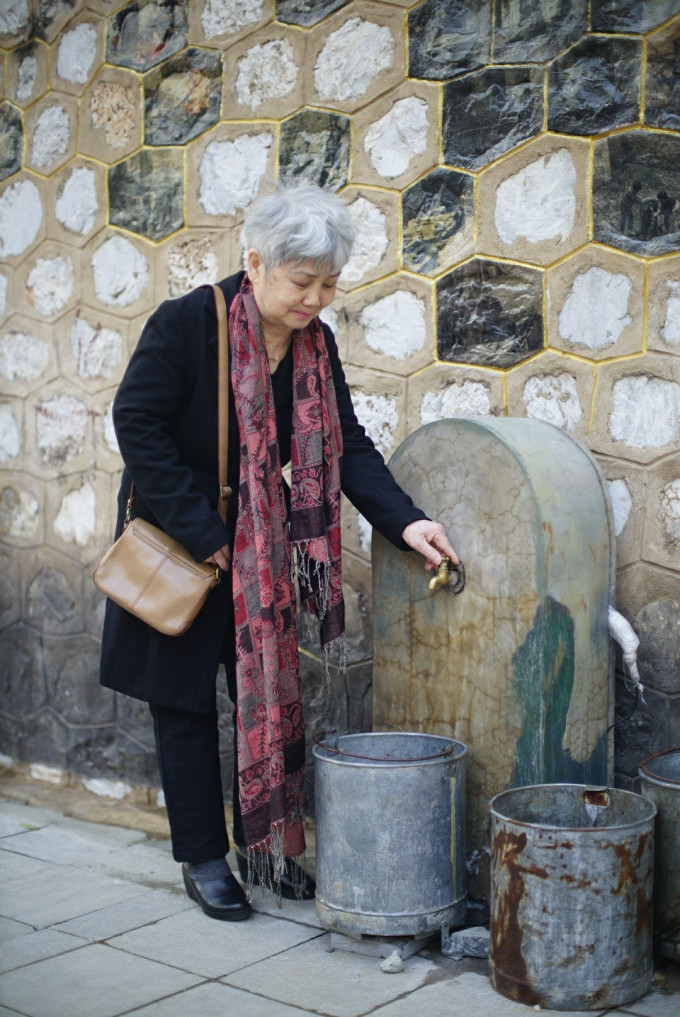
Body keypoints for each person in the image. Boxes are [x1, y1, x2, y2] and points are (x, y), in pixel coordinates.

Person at [99, 183, 459, 922]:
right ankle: (203, 857)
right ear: (255, 261)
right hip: (185, 541)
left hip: (260, 556)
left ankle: (266, 847)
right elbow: (136, 423)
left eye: (328, 284)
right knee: (185, 702)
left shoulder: (313, 346)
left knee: (266, 698)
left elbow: (347, 447)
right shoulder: (186, 324)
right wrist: (207, 532)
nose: (316, 299)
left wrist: (407, 522)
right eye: (303, 282)